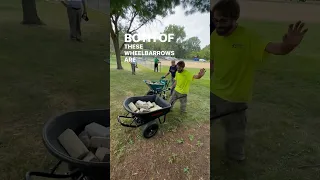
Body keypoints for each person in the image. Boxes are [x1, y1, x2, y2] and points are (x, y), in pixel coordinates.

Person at [211, 0, 308, 163]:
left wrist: (288, 46)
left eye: (223, 21)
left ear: (235, 19)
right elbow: (214, 62)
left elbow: (277, 49)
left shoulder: (249, 37)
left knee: (235, 137)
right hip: (213, 92)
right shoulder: (215, 35)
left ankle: (235, 162)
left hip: (236, 99)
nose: (218, 25)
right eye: (216, 20)